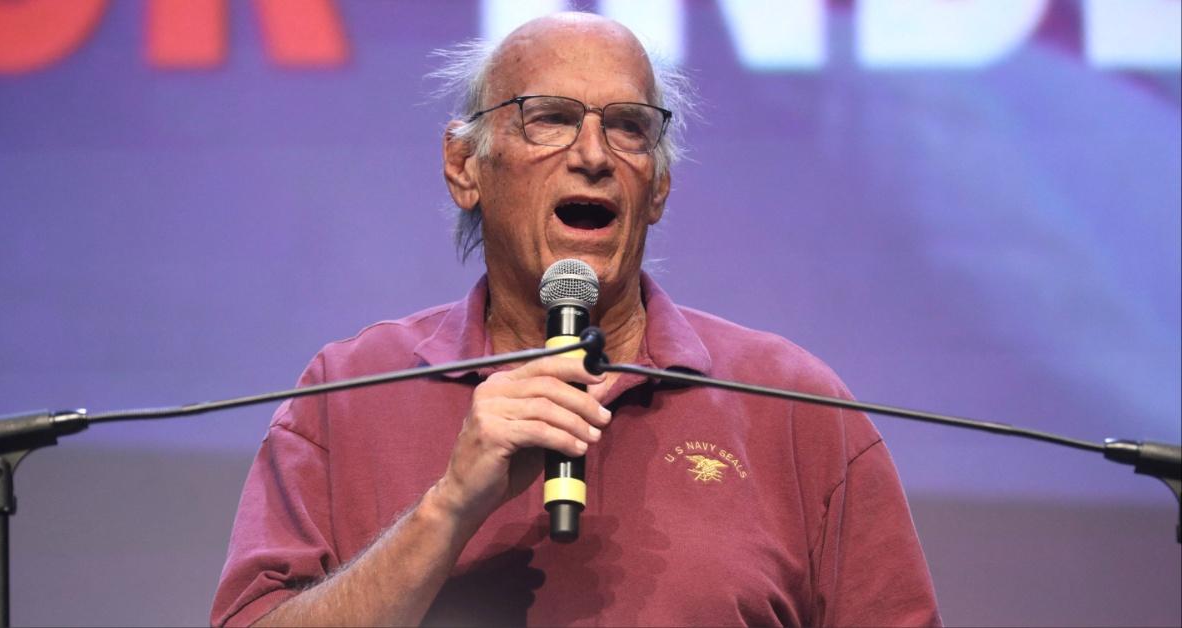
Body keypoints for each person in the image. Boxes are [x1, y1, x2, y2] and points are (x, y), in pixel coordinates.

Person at [211, 12, 940, 627]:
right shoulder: (348, 393)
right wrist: (447, 510)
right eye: (551, 119)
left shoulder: (796, 407)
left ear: (657, 187)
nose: (592, 156)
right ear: (465, 166)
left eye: (627, 128)